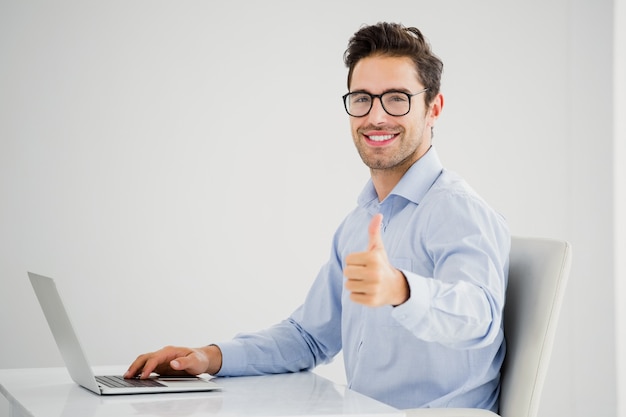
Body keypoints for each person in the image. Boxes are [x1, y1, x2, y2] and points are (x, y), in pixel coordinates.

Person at [125, 22, 510, 412]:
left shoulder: (457, 209)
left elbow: (479, 318)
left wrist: (400, 289)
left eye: (396, 98)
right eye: (362, 98)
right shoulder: (358, 225)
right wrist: (208, 358)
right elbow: (309, 337)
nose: (376, 117)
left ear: (434, 108)